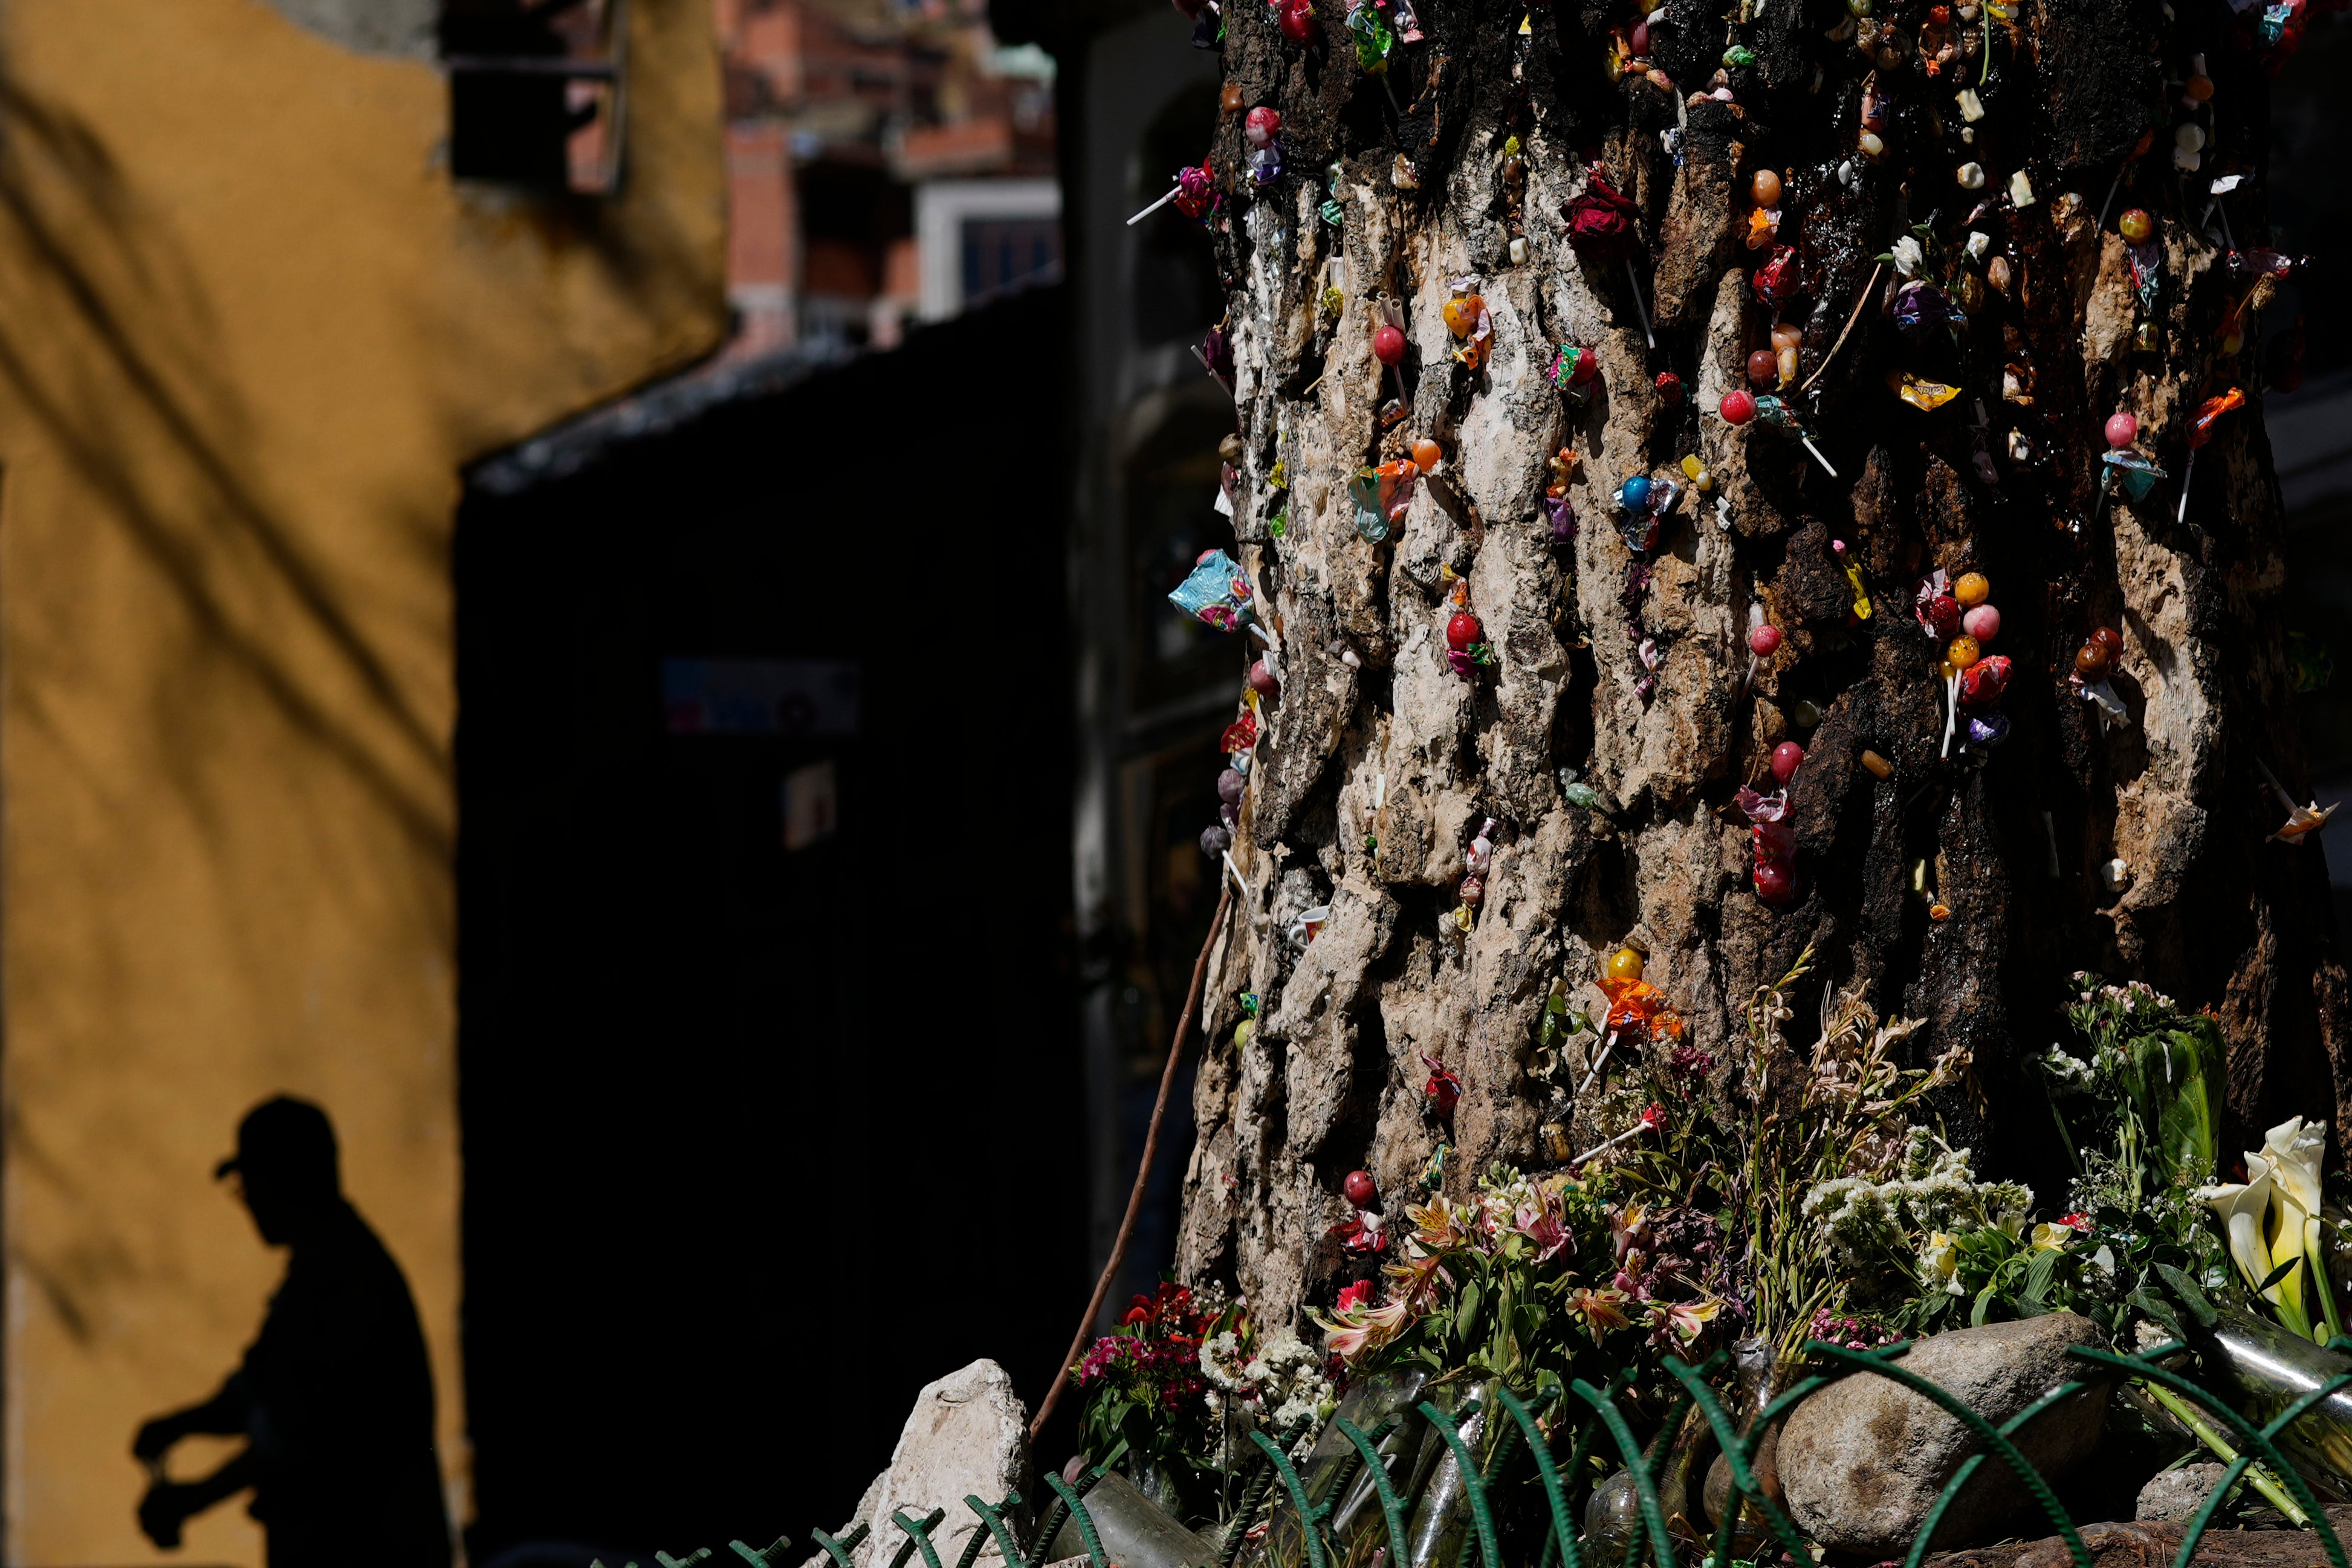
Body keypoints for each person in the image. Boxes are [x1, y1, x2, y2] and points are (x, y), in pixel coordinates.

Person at [132, 1097, 452, 1567]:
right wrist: (182, 1424)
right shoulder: (320, 1272)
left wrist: (195, 1497)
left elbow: (304, 1433)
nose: (248, 1203)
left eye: (250, 1186)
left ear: (285, 1180)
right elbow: (259, 1391)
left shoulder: (346, 1280)